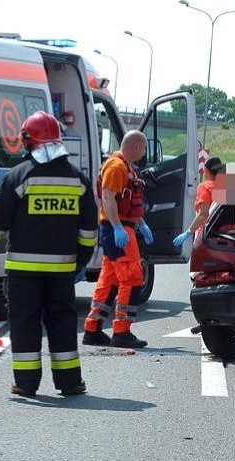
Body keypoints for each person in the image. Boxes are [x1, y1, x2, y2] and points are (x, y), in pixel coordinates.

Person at [0, 111, 97, 397]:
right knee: (62, 322)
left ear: (28, 141)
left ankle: (26, 384)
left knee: (25, 323)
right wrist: (81, 261)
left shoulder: (19, 176)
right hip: (62, 270)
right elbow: (89, 228)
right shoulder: (79, 180)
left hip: (23, 272)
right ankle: (69, 382)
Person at [82, 131, 154, 349]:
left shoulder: (125, 167)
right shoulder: (116, 167)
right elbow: (107, 197)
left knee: (109, 280)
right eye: (143, 148)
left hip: (120, 227)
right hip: (118, 229)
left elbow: (126, 199)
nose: (143, 153)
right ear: (135, 147)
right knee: (132, 277)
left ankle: (92, 329)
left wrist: (140, 223)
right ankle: (122, 331)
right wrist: (117, 228)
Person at [172, 156, 224, 247]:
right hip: (227, 235)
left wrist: (188, 232)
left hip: (207, 236)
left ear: (206, 170)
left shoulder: (205, 187)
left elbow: (203, 214)